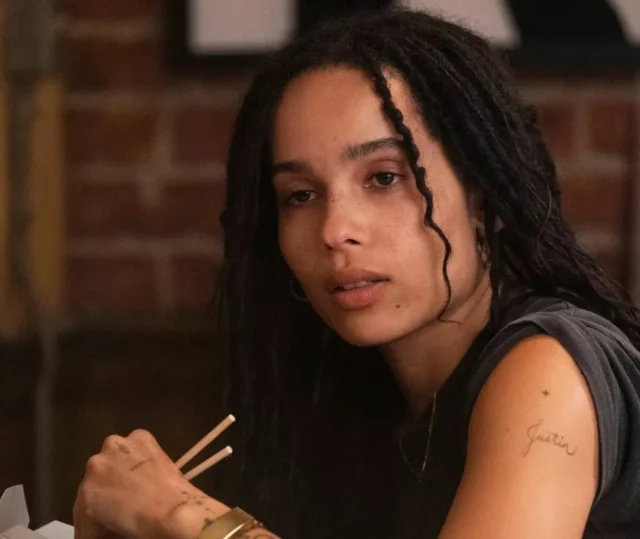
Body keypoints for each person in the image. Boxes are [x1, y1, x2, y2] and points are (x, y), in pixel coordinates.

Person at [72, 8, 640, 539]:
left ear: (481, 191)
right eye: (300, 194)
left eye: (384, 178)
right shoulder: (354, 395)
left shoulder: (547, 371)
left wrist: (183, 514)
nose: (334, 229)